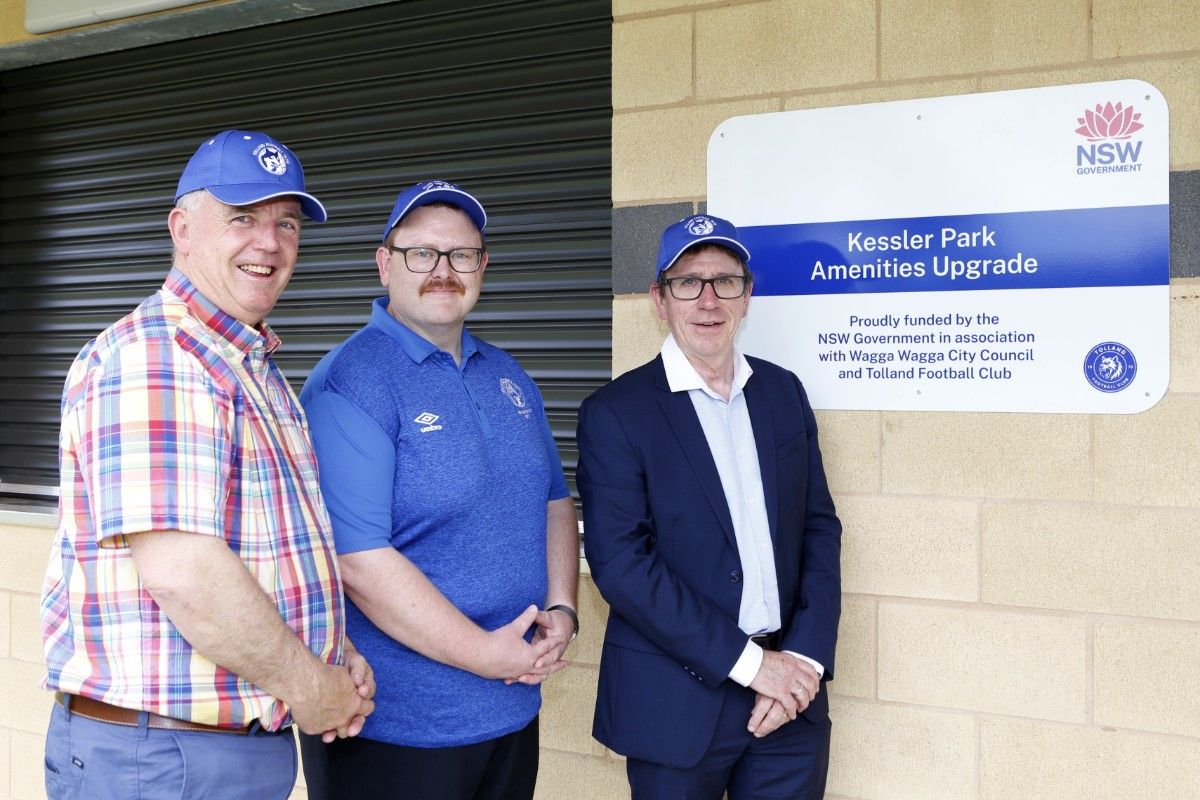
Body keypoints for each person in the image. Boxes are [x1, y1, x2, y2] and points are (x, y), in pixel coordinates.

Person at [39, 129, 376, 800]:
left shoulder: (249, 367)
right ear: (181, 228)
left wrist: (331, 656)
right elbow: (185, 572)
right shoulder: (157, 359)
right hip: (160, 758)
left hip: (218, 749)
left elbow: (270, 553)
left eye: (286, 222)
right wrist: (312, 687)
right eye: (242, 217)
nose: (270, 242)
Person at [298, 180, 580, 800]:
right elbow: (358, 561)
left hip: (510, 713)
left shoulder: (507, 375)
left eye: (461, 255)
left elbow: (554, 501)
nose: (443, 271)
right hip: (397, 733)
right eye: (421, 253)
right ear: (385, 263)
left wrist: (563, 607)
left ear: (482, 267)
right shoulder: (352, 381)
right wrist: (486, 654)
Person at [577, 214, 842, 799]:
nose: (708, 299)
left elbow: (819, 528)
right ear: (659, 299)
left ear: (747, 297)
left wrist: (802, 660)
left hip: (789, 699)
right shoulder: (617, 412)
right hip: (676, 704)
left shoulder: (783, 392)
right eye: (687, 282)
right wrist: (752, 666)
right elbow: (621, 566)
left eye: (725, 281)